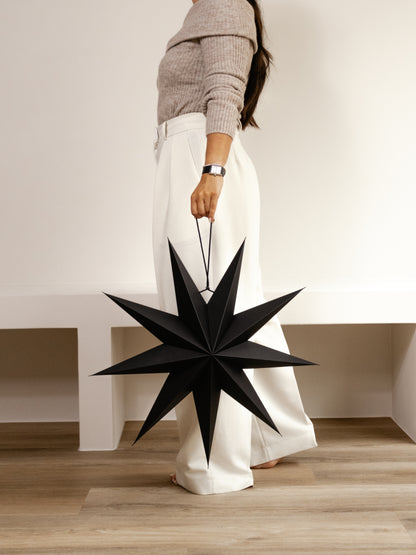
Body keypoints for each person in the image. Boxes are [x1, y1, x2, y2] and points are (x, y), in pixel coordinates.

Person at [152, 0, 317, 495]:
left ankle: (214, 465)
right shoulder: (206, 9)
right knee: (233, 307)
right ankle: (268, 437)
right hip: (188, 158)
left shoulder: (223, 4)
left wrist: (211, 171)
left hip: (201, 161)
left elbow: (225, 91)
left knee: (203, 316)